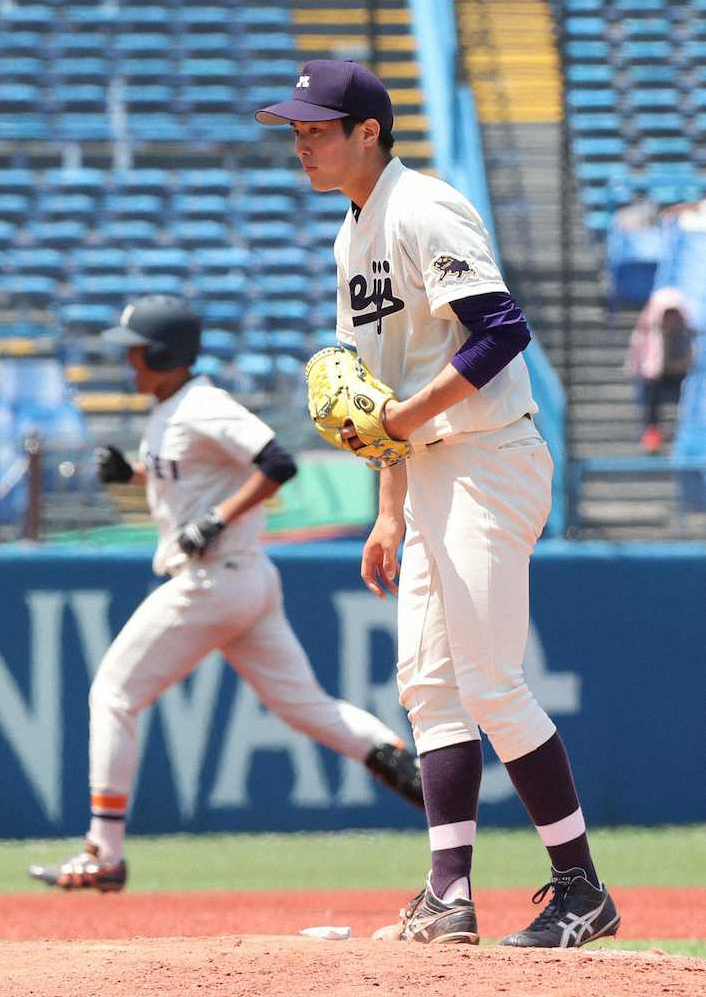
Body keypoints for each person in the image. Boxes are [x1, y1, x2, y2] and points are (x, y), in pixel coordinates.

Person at [256, 61, 620, 948]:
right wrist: (389, 504)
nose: (300, 141)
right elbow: (378, 389)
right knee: (427, 684)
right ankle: (447, 897)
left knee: (490, 681)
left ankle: (581, 889)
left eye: (316, 126)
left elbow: (501, 328)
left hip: (487, 458)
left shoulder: (424, 208)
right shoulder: (351, 235)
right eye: (295, 127)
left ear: (368, 131)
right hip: (427, 472)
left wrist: (407, 420)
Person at [29, 294, 423, 892]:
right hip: (245, 581)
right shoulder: (171, 407)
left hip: (212, 579)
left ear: (162, 354)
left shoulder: (202, 404)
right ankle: (401, 759)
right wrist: (131, 475)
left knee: (113, 694)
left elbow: (278, 461)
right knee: (305, 707)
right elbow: (188, 473)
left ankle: (103, 851)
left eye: (135, 352)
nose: (128, 363)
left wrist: (215, 519)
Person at [625, 286, 694, 454]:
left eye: (673, 314)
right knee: (649, 390)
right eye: (667, 314)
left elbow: (688, 363)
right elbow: (640, 365)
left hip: (678, 380)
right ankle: (652, 435)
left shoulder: (685, 336)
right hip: (656, 382)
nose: (670, 319)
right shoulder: (647, 335)